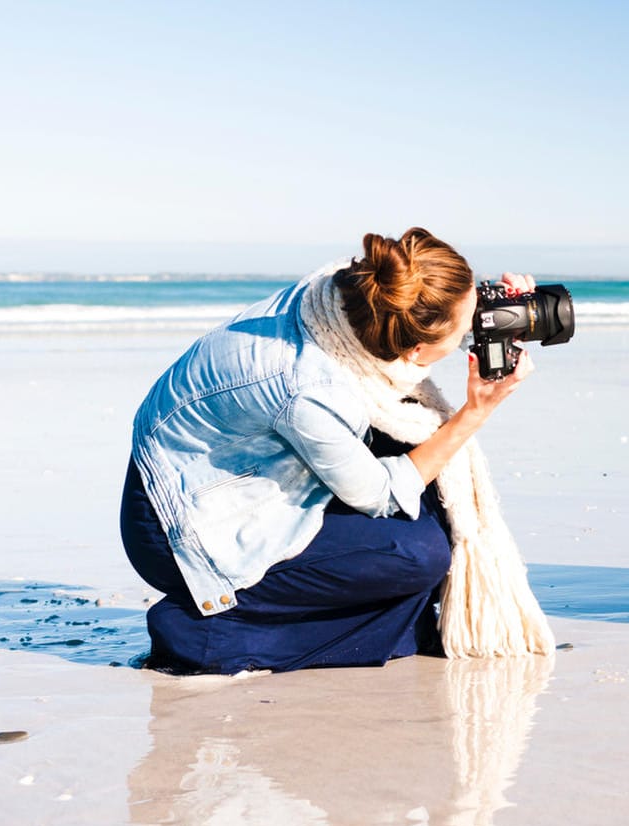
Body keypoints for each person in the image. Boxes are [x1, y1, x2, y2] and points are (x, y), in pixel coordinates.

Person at [120, 228, 554, 674]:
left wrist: (494, 314)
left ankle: (392, 626)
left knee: (427, 489)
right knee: (418, 555)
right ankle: (203, 637)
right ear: (416, 348)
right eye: (468, 324)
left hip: (215, 473)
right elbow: (381, 495)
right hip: (183, 527)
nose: (470, 327)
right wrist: (473, 414)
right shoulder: (312, 388)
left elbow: (418, 325)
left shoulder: (343, 294)